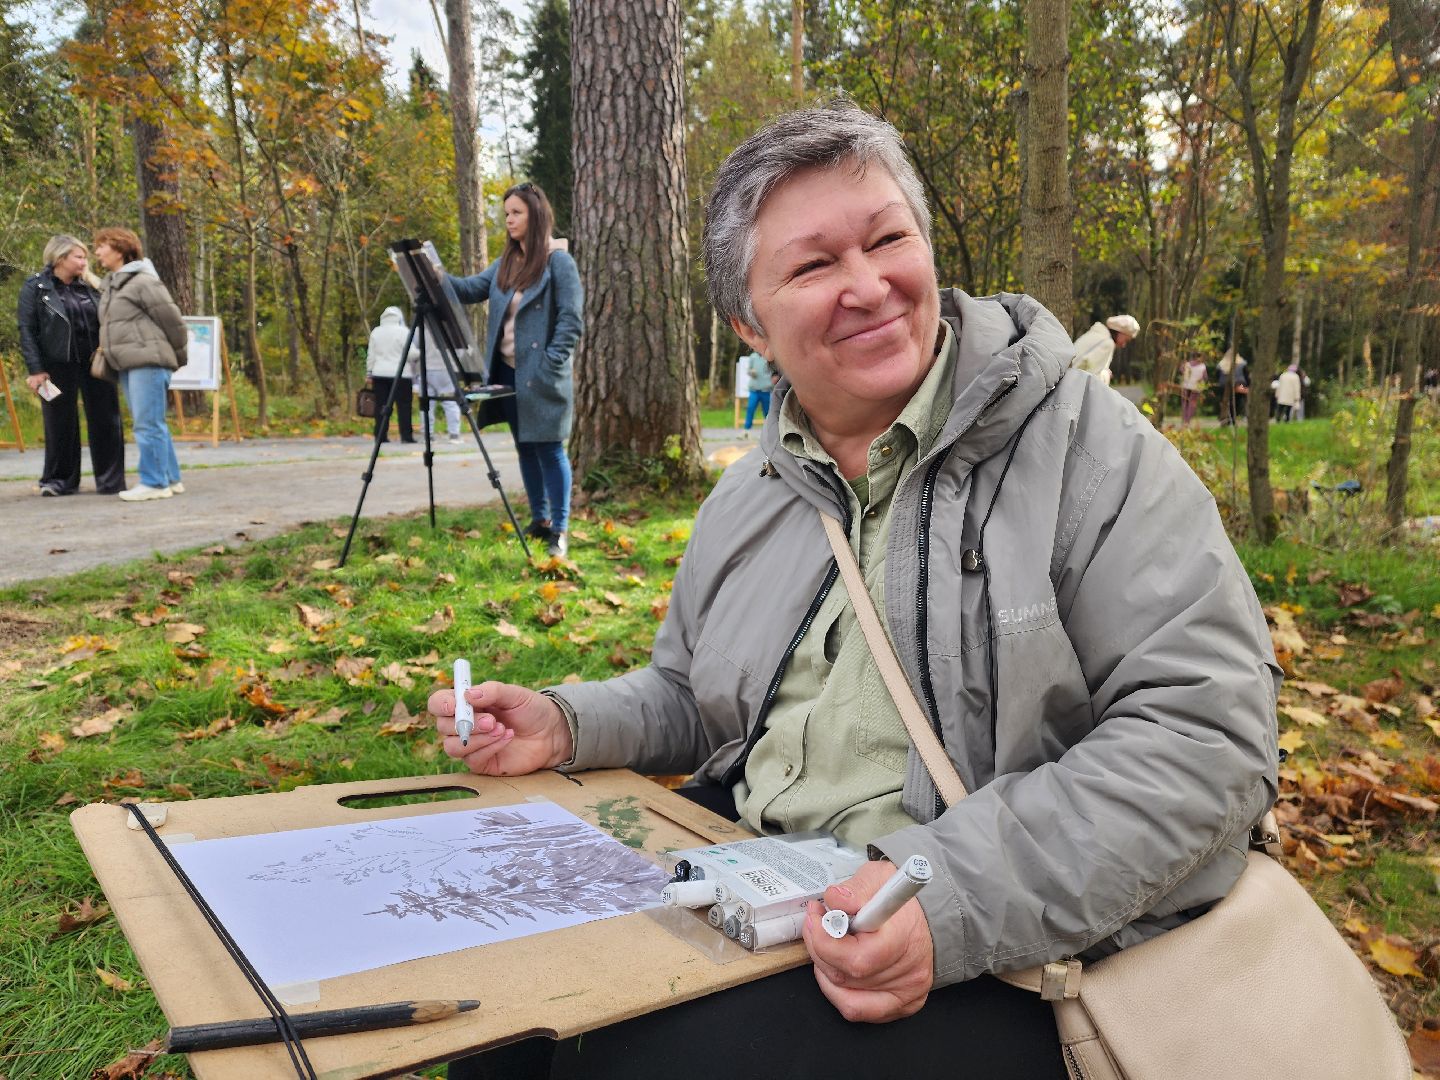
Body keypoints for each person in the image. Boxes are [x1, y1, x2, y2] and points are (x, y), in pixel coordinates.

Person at [430, 104, 1278, 1080]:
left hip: (992, 934)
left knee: (662, 1062)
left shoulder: (1090, 450)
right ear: (750, 323)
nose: (869, 287)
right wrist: (562, 724)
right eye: (814, 264)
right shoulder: (755, 489)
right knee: (505, 1022)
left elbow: (1209, 736)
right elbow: (691, 696)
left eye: (888, 240)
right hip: (754, 873)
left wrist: (947, 903)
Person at [447, 183, 583, 559]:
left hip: (542, 375)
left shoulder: (559, 262)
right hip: (505, 375)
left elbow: (571, 321)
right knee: (525, 448)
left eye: (516, 212)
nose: (508, 219)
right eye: (506, 212)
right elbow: (469, 289)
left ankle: (560, 529)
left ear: (535, 215)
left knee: (550, 450)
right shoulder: (506, 263)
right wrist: (431, 272)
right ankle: (539, 521)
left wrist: (549, 363)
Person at [16, 235, 125, 496]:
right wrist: (35, 369)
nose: (84, 262)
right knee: (59, 422)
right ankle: (59, 481)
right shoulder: (36, 286)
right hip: (55, 365)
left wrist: (92, 280)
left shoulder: (90, 285)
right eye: (79, 256)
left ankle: (110, 481)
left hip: (96, 362)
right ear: (60, 258)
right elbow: (27, 330)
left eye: (85, 257)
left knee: (106, 420)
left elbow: (114, 314)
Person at [94, 227, 187, 501]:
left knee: (147, 424)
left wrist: (178, 358)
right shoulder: (116, 283)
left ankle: (155, 483)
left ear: (120, 249)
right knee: (151, 422)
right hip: (127, 363)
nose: (97, 252)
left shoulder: (143, 282)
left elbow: (172, 320)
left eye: (101, 246)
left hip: (147, 361)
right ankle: (170, 478)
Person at [366, 306, 418, 445]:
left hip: (379, 373)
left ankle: (381, 435)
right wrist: (421, 353)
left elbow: (371, 355)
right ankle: (406, 436)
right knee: (404, 406)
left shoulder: (376, 332)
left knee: (381, 406)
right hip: (401, 375)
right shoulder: (403, 332)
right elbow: (411, 354)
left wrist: (369, 372)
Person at [1070, 313, 1139, 386]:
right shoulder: (1107, 343)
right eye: (1126, 340)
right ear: (1120, 332)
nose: (1123, 345)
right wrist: (1106, 375)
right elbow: (1094, 380)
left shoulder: (1096, 335)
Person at [742, 348, 776, 436]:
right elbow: (748, 370)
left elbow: (774, 371)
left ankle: (770, 432)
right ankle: (746, 430)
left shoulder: (769, 357)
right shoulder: (753, 356)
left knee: (767, 412)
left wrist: (774, 378)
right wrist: (751, 372)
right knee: (750, 408)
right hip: (754, 390)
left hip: (766, 390)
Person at [1217, 347, 1249, 424]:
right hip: (1239, 385)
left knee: (1225, 402)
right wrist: (1247, 385)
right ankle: (1234, 417)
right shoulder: (1242, 363)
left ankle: (1225, 417)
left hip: (1224, 386)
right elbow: (1246, 375)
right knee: (1237, 402)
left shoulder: (1221, 364)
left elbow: (1217, 376)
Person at [1178, 354, 1208, 427]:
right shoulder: (1202, 366)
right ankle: (1187, 421)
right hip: (1195, 387)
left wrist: (1183, 366)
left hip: (1186, 385)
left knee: (1185, 403)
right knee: (1192, 404)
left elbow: (1181, 370)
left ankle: (1185, 419)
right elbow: (1205, 377)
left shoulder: (1187, 364)